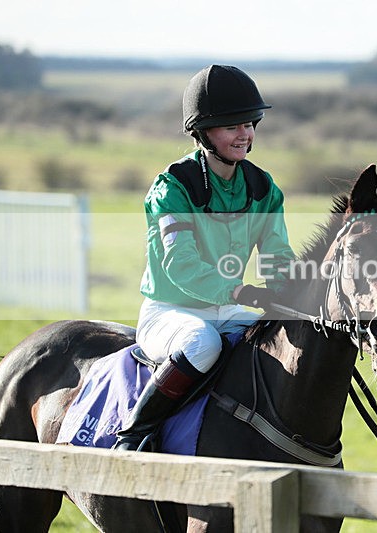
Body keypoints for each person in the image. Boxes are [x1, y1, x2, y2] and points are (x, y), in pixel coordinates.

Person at [114, 65, 295, 451]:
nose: (244, 134)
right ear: (203, 132)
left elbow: (278, 256)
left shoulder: (263, 188)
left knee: (281, 341)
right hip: (171, 311)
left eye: (249, 123)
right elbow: (180, 265)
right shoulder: (173, 187)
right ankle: (134, 435)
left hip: (228, 308)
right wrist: (244, 293)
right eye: (232, 126)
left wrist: (291, 294)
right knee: (203, 344)